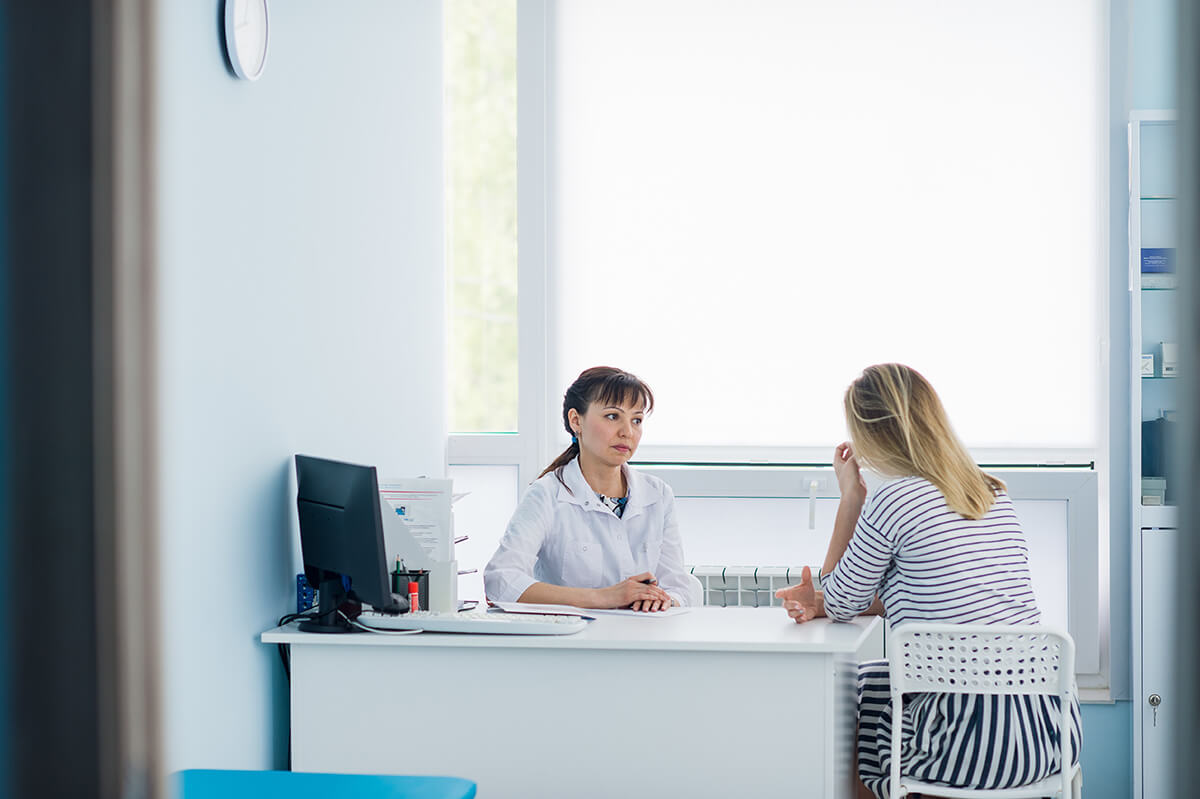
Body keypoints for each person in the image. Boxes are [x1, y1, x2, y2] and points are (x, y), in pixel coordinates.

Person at [775, 363, 1081, 799]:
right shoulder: (991, 492)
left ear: (869, 435)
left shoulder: (893, 499)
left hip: (966, 750)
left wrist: (850, 497)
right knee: (885, 681)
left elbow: (842, 601)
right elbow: (937, 594)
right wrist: (823, 601)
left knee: (853, 687)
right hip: (1045, 738)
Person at [484, 366, 700, 611]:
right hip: (574, 633)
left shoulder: (658, 494)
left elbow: (680, 588)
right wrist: (603, 598)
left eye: (636, 420)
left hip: (644, 631)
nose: (627, 432)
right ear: (576, 421)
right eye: (612, 416)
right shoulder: (546, 494)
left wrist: (664, 599)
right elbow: (500, 580)